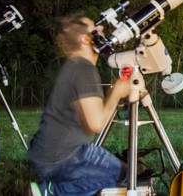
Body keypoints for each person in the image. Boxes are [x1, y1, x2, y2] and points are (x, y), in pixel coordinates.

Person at [28, 14, 130, 196]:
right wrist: (116, 93)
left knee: (116, 170)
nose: (102, 31)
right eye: (96, 29)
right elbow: (97, 124)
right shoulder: (84, 69)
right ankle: (52, 191)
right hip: (63, 157)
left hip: (48, 152)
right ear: (85, 39)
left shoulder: (75, 66)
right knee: (123, 175)